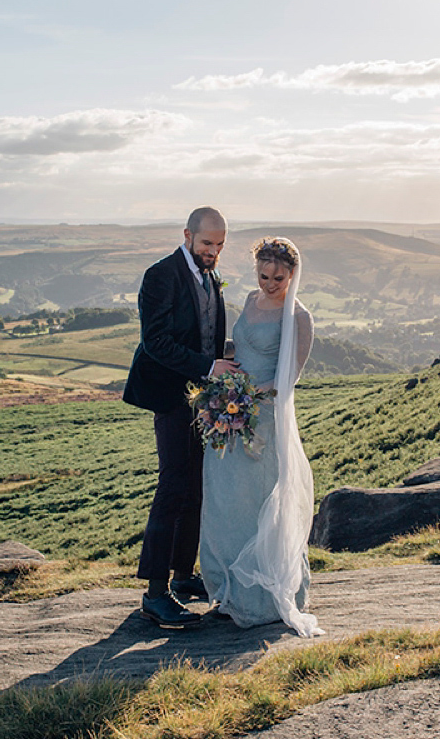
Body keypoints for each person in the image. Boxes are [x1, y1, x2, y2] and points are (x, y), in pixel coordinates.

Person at [199, 236, 324, 637]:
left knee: (258, 504)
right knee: (223, 500)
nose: (269, 283)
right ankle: (227, 591)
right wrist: (224, 390)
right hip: (230, 412)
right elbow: (240, 348)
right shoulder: (251, 299)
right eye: (263, 274)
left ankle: (262, 599)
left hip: (264, 420)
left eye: (278, 277)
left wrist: (248, 398)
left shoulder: (298, 317)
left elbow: (290, 378)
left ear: (292, 275)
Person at [123, 206, 238, 627]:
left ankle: (184, 575)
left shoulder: (209, 276)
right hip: (170, 396)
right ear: (188, 234)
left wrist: (227, 361)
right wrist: (209, 369)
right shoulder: (161, 275)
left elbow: (203, 333)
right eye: (207, 243)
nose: (213, 251)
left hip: (201, 399)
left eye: (221, 245)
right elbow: (156, 342)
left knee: (195, 486)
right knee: (173, 486)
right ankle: (155, 593)